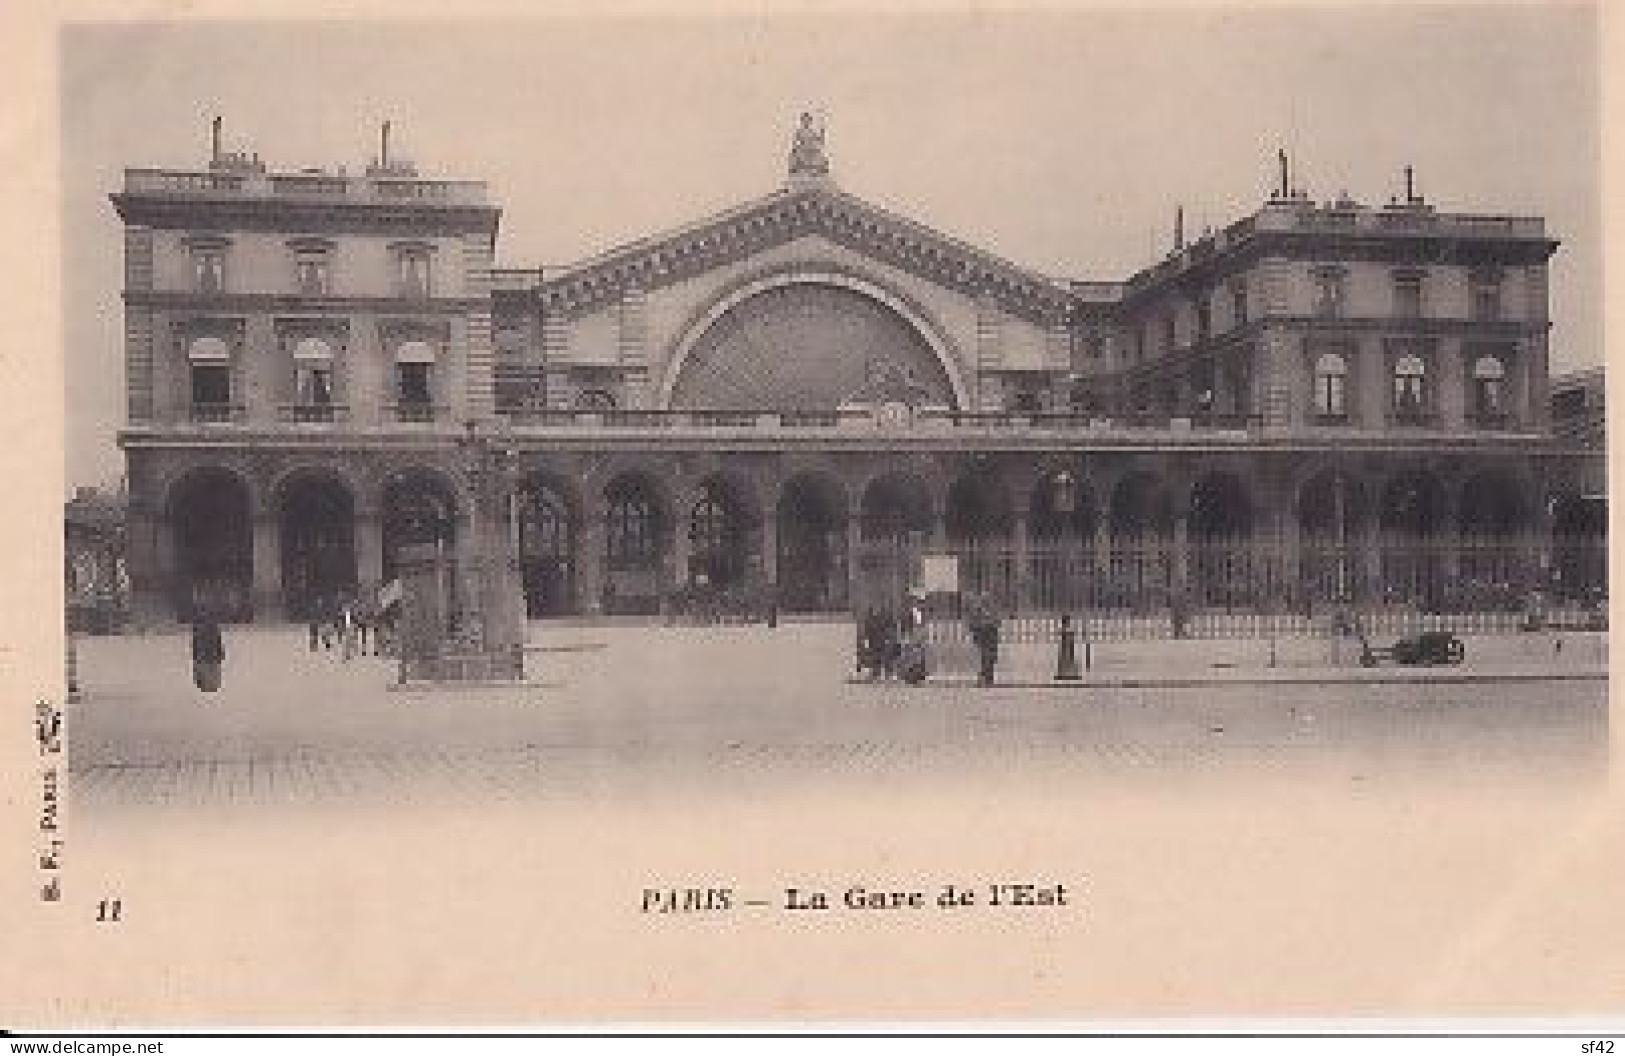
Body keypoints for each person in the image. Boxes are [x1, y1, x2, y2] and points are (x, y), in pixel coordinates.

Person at [965, 590, 1001, 687]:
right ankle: (986, 676)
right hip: (983, 629)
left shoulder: (981, 604)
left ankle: (986, 677)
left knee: (988, 654)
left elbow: (996, 618)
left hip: (987, 628)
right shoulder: (975, 604)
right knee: (987, 654)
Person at [191, 614, 225, 693]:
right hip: (208, 658)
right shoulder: (210, 629)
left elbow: (218, 642)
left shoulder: (200, 629)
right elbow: (218, 642)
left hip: (207, 658)